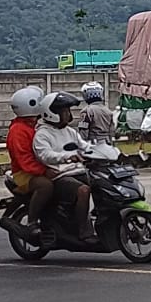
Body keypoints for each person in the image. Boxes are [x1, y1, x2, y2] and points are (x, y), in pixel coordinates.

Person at [33, 91, 99, 245]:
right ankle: (84, 231)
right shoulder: (42, 134)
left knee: (103, 184)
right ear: (52, 113)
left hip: (78, 171)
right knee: (83, 191)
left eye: (68, 110)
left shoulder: (69, 131)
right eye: (64, 111)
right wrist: (66, 156)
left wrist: (101, 151)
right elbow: (45, 155)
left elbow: (85, 146)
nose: (68, 114)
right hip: (59, 175)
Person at [4, 86, 56, 244]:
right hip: (24, 174)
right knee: (45, 186)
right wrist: (44, 171)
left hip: (36, 169)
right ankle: (32, 221)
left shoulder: (33, 125)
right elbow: (24, 160)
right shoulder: (18, 130)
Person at [77, 81, 116, 145]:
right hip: (107, 143)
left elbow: (83, 132)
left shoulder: (86, 111)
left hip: (93, 144)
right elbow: (112, 131)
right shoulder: (108, 111)